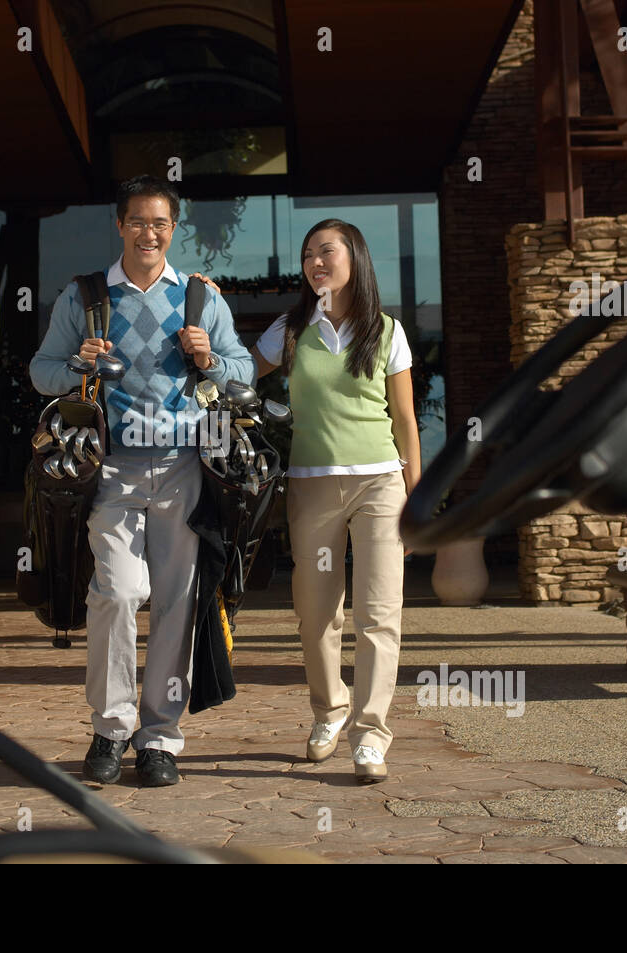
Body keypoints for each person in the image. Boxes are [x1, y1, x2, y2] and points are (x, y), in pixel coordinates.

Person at [30, 175, 254, 787]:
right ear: (121, 226)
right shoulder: (85, 298)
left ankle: (160, 738)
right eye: (137, 221)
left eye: (160, 223)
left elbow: (243, 373)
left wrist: (211, 358)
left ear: (172, 229)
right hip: (114, 469)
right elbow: (41, 371)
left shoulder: (201, 299)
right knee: (119, 593)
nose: (148, 232)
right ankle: (111, 727)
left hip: (185, 465)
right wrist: (79, 364)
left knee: (179, 602)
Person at [251, 219, 421, 783]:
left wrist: (416, 495)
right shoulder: (291, 329)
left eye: (326, 251)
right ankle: (330, 712)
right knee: (316, 613)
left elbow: (404, 420)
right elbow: (236, 375)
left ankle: (370, 736)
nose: (315, 262)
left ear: (355, 256)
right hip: (312, 485)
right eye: (307, 255)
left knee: (380, 615)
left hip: (380, 485)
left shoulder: (387, 330)